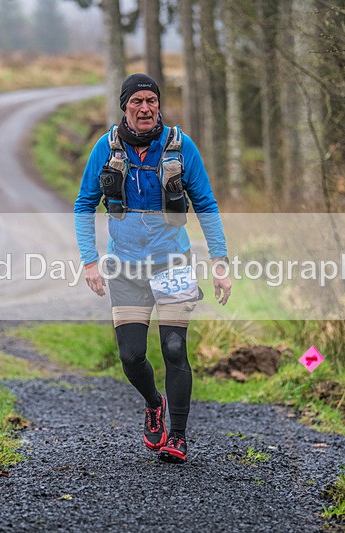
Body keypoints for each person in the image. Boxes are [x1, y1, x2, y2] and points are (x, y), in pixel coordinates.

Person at [74, 73, 231, 463]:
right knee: (130, 356)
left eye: (151, 101)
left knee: (175, 348)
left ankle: (177, 436)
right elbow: (84, 205)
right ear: (124, 108)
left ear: (158, 104)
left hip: (173, 262)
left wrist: (220, 262)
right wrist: (90, 261)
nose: (145, 109)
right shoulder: (106, 148)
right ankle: (153, 402)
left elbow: (206, 205)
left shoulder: (180, 147)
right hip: (125, 267)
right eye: (136, 103)